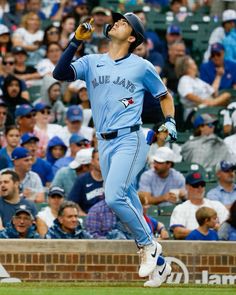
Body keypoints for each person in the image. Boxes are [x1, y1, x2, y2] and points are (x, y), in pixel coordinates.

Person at [53, 12, 177, 284]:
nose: (118, 22)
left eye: (125, 22)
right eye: (118, 20)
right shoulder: (92, 61)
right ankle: (160, 265)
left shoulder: (141, 65)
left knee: (114, 196)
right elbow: (59, 73)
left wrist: (169, 121)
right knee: (128, 196)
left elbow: (164, 96)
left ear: (132, 37)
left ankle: (148, 245)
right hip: (104, 142)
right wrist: (75, 41)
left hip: (130, 138)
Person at [170, 171, 229, 240]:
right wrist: (204, 232)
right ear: (187, 187)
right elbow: (178, 232)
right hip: (190, 247)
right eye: (196, 185)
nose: (200, 188)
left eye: (202, 184)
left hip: (216, 246)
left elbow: (228, 229)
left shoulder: (217, 205)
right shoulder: (180, 208)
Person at [176, 55, 230, 123]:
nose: (196, 66)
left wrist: (218, 76)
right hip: (196, 111)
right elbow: (188, 95)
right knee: (227, 96)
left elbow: (213, 91)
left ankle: (215, 105)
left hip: (209, 107)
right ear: (187, 68)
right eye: (193, 64)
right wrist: (206, 102)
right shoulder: (184, 79)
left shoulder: (198, 80)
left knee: (227, 97)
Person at [68, 147, 104, 216]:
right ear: (92, 161)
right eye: (99, 159)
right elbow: (72, 202)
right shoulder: (82, 180)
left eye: (104, 159)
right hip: (88, 219)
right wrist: (83, 215)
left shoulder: (111, 179)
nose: (102, 162)